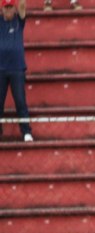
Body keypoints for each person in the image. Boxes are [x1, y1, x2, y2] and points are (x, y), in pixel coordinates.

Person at [1, 0, 33, 142]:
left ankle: (26, 131)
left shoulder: (19, 22)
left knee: (20, 101)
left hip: (17, 68)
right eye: (5, 8)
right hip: (0, 69)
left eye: (10, 8)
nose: (8, 11)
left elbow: (22, 5)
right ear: (1, 9)